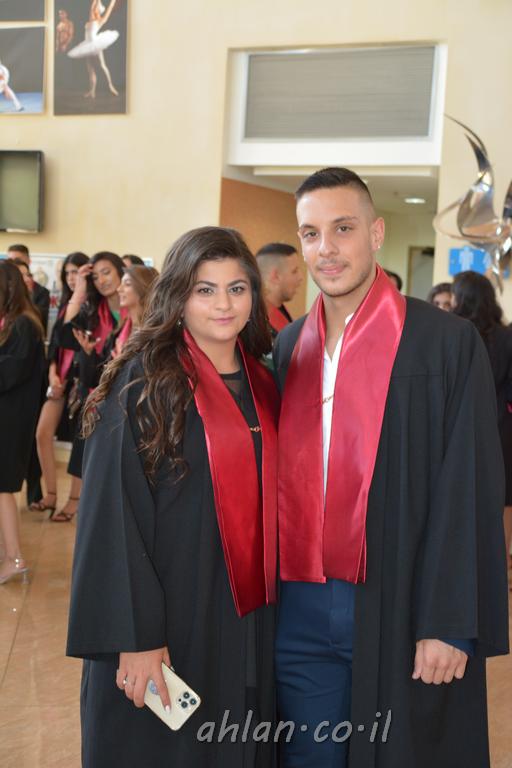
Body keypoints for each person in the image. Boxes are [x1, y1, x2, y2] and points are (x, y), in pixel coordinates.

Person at [273, 167, 509, 768]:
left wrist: (450, 621)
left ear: (376, 233)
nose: (326, 249)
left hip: (400, 600)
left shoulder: (444, 344)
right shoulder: (288, 347)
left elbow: (467, 487)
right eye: (311, 234)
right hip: (299, 606)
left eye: (343, 228)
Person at [67, 227, 278, 768]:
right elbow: (112, 517)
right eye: (205, 289)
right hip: (168, 611)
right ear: (178, 295)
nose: (224, 304)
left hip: (245, 614)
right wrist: (135, 635)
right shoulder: (144, 384)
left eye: (236, 288)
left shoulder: (264, 382)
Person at [452, 270, 512, 570]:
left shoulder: (455, 333)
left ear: (461, 297)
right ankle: (501, 568)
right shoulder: (506, 336)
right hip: (502, 425)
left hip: (459, 425)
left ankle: (462, 566)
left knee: (461, 492)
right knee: (503, 497)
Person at [60, 251, 125, 494]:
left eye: (106, 272)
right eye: (95, 277)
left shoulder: (137, 310)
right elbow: (66, 337)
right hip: (96, 397)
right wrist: (79, 290)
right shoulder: (95, 311)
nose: (102, 280)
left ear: (121, 272)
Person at [30, 252, 89, 518]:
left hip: (80, 381)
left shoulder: (91, 306)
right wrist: (54, 375)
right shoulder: (66, 303)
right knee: (42, 433)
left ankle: (74, 500)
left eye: (76, 272)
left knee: (79, 443)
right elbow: (56, 344)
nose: (71, 278)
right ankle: (51, 494)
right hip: (58, 381)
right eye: (67, 273)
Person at [0, 261, 44, 584]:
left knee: (3, 488)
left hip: (11, 421)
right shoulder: (13, 322)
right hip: (7, 417)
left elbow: (9, 373)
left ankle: (15, 557)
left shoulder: (25, 325)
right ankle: (6, 553)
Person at [68, 0, 120, 99]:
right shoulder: (91, 17)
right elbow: (92, 6)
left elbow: (109, 9)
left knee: (102, 66)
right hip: (87, 46)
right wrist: (96, 1)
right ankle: (92, 91)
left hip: (95, 44)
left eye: (96, 8)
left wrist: (112, 2)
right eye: (94, 8)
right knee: (90, 70)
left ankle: (110, 86)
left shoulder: (101, 20)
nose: (94, 9)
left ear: (98, 11)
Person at [256, 242, 302, 336]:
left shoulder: (278, 310)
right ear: (275, 276)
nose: (301, 277)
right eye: (294, 271)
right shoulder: (258, 326)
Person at [7, 244, 50, 333]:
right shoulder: (4, 290)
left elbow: (39, 322)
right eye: (10, 260)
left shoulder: (41, 292)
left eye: (17, 260)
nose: (13, 264)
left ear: (28, 261)